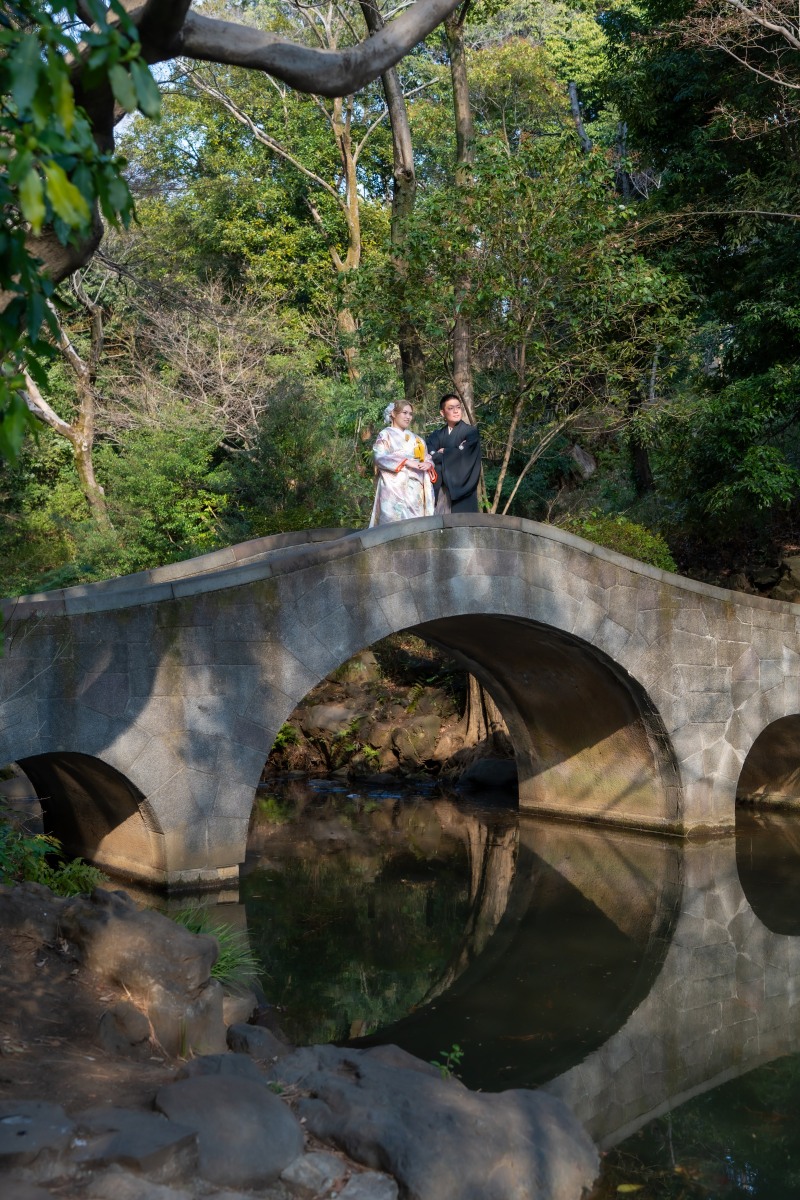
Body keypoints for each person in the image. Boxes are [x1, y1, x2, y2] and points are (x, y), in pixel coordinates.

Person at [368, 400, 437, 527]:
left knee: (416, 524)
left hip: (415, 488)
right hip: (393, 486)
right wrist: (406, 461)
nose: (408, 417)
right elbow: (379, 457)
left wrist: (428, 464)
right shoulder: (385, 434)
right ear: (393, 413)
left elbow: (426, 457)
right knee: (392, 523)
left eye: (410, 414)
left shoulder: (417, 439)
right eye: (404, 413)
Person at [426, 394, 481, 513]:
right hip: (441, 488)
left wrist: (445, 451)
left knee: (464, 525)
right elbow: (430, 453)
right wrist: (456, 450)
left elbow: (466, 455)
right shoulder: (437, 435)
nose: (456, 411)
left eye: (458, 407)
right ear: (442, 413)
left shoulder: (471, 432)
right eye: (450, 408)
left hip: (463, 488)